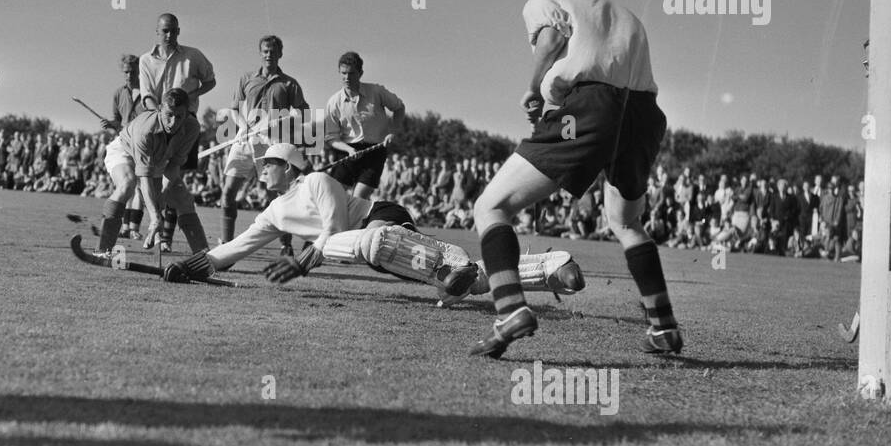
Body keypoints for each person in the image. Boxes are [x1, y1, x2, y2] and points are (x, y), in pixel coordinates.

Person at [469, 0, 682, 358]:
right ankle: (664, 328)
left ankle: (510, 310)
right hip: (643, 116)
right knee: (626, 222)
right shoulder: (627, 15)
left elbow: (551, 42)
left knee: (490, 206)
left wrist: (534, 88)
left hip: (592, 110)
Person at [160, 144, 585, 305]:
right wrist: (195, 267)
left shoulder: (318, 181)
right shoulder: (272, 213)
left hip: (383, 220)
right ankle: (549, 269)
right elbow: (237, 247)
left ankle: (455, 263)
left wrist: (307, 261)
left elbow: (333, 227)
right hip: (366, 247)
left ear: (288, 167)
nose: (262, 170)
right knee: (456, 281)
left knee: (374, 241)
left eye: (268, 164)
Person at [220, 35, 309, 255]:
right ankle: (226, 244)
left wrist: (281, 120)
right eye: (265, 51)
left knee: (276, 196)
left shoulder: (289, 83)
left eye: (273, 51)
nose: (269, 55)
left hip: (272, 143)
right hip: (245, 139)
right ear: (260, 53)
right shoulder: (247, 78)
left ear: (280, 53)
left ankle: (285, 245)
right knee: (228, 192)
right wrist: (243, 125)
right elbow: (234, 109)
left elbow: (303, 113)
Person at [95, 88, 209, 255]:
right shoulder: (145, 130)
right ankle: (102, 250)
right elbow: (144, 178)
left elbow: (174, 165)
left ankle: (205, 257)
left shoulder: (192, 127)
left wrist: (162, 195)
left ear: (187, 114)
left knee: (183, 199)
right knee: (127, 184)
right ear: (160, 108)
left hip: (158, 160)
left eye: (179, 116)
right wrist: (155, 217)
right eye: (169, 115)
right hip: (125, 151)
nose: (173, 123)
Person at [139, 13, 216, 250]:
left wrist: (186, 100)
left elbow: (210, 81)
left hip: (186, 125)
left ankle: (168, 238)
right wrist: (161, 117)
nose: (169, 35)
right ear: (157, 31)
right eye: (165, 31)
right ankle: (163, 234)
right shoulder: (145, 60)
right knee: (165, 183)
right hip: (156, 126)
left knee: (173, 182)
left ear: (179, 31)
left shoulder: (193, 56)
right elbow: (147, 96)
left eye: (173, 30)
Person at [323, 51, 406, 199]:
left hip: (375, 151)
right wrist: (349, 149)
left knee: (358, 199)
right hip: (348, 151)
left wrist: (392, 131)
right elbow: (331, 138)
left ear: (360, 73)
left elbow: (399, 107)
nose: (347, 78)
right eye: (343, 73)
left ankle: (357, 220)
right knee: (333, 196)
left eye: (351, 73)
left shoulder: (377, 91)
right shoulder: (333, 102)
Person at [100, 54, 147, 241]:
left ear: (139, 71)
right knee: (127, 185)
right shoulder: (119, 93)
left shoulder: (148, 92)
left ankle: (133, 227)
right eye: (126, 72)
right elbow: (118, 121)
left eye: (133, 71)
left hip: (143, 144)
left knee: (140, 189)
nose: (129, 75)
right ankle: (124, 226)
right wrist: (110, 124)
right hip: (124, 142)